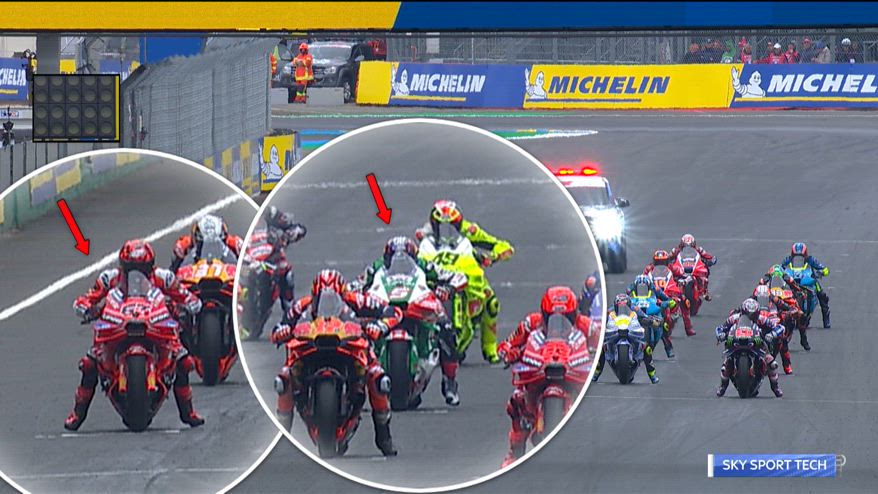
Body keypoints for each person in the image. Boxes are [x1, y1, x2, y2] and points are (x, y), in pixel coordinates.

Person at [66, 240, 205, 430]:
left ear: (150, 267)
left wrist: (187, 306)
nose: (137, 275)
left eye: (142, 269)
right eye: (131, 269)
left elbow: (186, 296)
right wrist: (86, 308)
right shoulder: (109, 278)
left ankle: (188, 413)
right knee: (89, 364)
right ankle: (77, 414)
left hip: (155, 323)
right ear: (123, 267)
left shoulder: (164, 278)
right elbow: (87, 297)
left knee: (184, 362)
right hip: (118, 323)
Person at [270, 269, 401, 456]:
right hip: (311, 346)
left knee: (379, 379)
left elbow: (393, 312)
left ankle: (384, 436)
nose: (327, 303)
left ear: (342, 295)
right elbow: (280, 325)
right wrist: (281, 331)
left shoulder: (357, 300)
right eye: (321, 299)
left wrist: (380, 326)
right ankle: (282, 437)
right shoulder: (302, 306)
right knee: (283, 379)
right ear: (314, 296)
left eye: (334, 299)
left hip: (349, 345)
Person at [353, 236, 468, 406]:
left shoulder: (425, 266)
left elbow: (458, 277)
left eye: (405, 257)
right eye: (393, 257)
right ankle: (357, 387)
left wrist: (448, 288)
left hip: (416, 304)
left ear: (414, 257)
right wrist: (356, 293)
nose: (398, 260)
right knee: (355, 332)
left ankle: (449, 382)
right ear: (386, 258)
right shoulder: (376, 268)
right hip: (385, 307)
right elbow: (355, 284)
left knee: (446, 327)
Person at [497, 286, 593, 467]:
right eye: (552, 318)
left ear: (574, 315)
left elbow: (602, 340)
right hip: (540, 369)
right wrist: (508, 352)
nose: (560, 322)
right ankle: (515, 452)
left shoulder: (586, 325)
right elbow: (509, 343)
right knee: (517, 399)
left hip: (573, 371)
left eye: (566, 318)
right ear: (544, 315)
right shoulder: (531, 323)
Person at [415, 200, 515, 364]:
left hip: (464, 271)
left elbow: (502, 245)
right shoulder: (426, 234)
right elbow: (416, 252)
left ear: (459, 224)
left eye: (452, 227)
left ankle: (490, 348)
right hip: (437, 273)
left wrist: (492, 256)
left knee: (491, 302)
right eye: (441, 227)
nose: (446, 232)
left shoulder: (470, 231)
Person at [715, 298, 784, 398]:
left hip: (757, 342)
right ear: (742, 312)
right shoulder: (734, 318)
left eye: (753, 315)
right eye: (747, 314)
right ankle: (723, 386)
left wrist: (772, 334)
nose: (750, 317)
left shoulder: (761, 319)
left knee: (772, 363)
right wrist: (720, 334)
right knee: (726, 362)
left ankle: (775, 387)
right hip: (736, 341)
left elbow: (780, 327)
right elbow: (720, 328)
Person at [245, 206, 307, 316]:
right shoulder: (242, 217)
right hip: (249, 255)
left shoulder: (271, 212)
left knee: (287, 275)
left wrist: (292, 232)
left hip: (271, 254)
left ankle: (289, 312)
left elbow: (294, 226)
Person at [593, 293, 661, 384]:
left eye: (625, 305)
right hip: (615, 332)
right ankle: (596, 373)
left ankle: (652, 374)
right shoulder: (610, 311)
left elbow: (644, 316)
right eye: (619, 305)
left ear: (629, 304)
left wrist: (651, 321)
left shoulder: (635, 309)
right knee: (601, 348)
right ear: (616, 305)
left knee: (647, 349)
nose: (622, 306)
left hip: (631, 331)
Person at [169, 214, 243, 272]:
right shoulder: (183, 245)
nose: (210, 249)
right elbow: (173, 273)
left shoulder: (235, 243)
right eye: (205, 244)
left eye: (214, 244)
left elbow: (245, 271)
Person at [781, 242, 830, 329]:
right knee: (779, 293)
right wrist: (779, 273)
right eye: (796, 256)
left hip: (807, 280)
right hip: (792, 280)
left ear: (805, 254)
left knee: (822, 295)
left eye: (801, 256)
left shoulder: (811, 260)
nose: (798, 258)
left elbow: (825, 269)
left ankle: (826, 321)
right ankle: (780, 318)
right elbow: (780, 268)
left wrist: (821, 272)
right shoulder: (787, 260)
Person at [668, 233, 717, 301]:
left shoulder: (699, 249)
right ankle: (672, 292)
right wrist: (667, 262)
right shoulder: (675, 250)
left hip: (694, 267)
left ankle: (704, 291)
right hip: (681, 267)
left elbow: (707, 256)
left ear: (693, 244)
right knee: (671, 273)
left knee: (705, 270)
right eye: (685, 245)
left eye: (690, 245)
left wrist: (711, 260)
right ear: (682, 244)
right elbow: (668, 258)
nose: (688, 247)